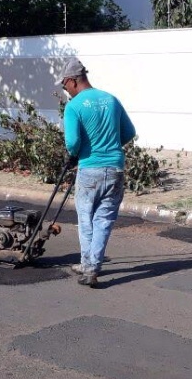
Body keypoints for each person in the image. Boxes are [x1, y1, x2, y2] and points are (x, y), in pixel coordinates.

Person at [58, 57, 136, 288]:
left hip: (90, 169)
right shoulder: (111, 100)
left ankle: (88, 266)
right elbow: (129, 133)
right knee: (103, 220)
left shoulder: (74, 106)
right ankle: (91, 266)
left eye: (64, 85)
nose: (65, 91)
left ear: (72, 81)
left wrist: (77, 153)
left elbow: (72, 142)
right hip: (115, 169)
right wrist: (109, 145)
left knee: (86, 220)